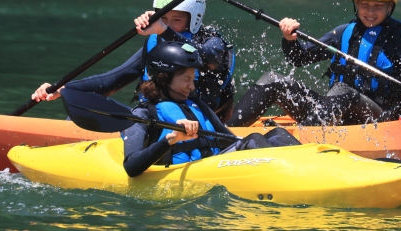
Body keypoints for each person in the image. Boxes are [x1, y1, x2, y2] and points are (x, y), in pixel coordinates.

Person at [226, 0, 401, 127]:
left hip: (378, 119)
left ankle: (300, 141)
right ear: (355, 3)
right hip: (331, 113)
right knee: (272, 80)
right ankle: (226, 135)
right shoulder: (343, 32)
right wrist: (289, 39)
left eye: (378, 6)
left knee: (343, 90)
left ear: (390, 6)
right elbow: (299, 58)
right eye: (364, 4)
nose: (370, 11)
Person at [31, 0, 237, 122]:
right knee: (81, 110)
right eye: (163, 18)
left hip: (199, 121)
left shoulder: (211, 41)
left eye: (177, 19)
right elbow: (111, 81)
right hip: (153, 116)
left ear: (195, 18)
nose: (167, 25)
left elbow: (207, 58)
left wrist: (164, 30)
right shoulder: (155, 43)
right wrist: (64, 88)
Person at [122, 41, 300, 177]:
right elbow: (131, 167)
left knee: (278, 134)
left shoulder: (196, 105)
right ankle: (288, 176)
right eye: (186, 80)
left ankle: (311, 166)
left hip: (215, 166)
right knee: (253, 139)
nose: (192, 87)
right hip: (182, 174)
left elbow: (229, 140)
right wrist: (170, 140)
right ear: (163, 78)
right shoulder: (143, 114)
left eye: (193, 80)